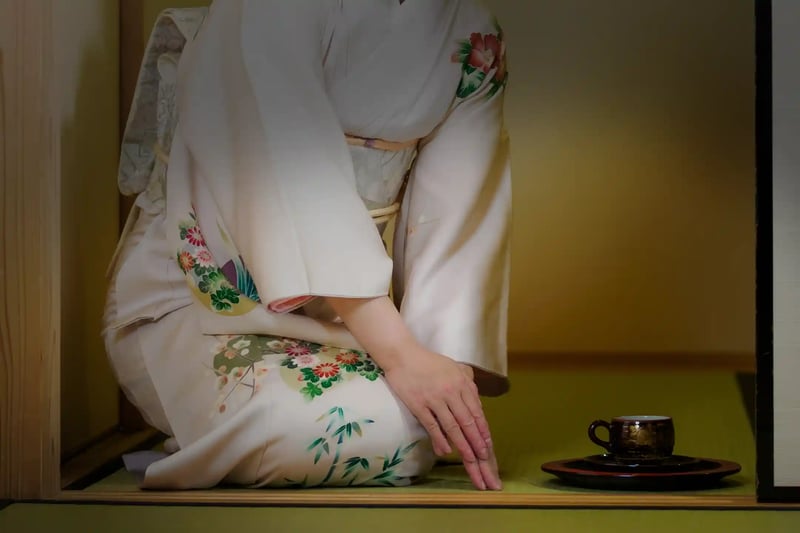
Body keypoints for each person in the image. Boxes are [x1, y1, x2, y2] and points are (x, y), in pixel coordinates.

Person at [104, 0, 511, 492]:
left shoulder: (470, 27)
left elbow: (459, 215)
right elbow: (290, 174)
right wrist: (399, 355)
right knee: (319, 428)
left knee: (412, 422)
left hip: (344, 321)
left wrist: (438, 370)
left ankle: (228, 435)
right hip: (197, 298)